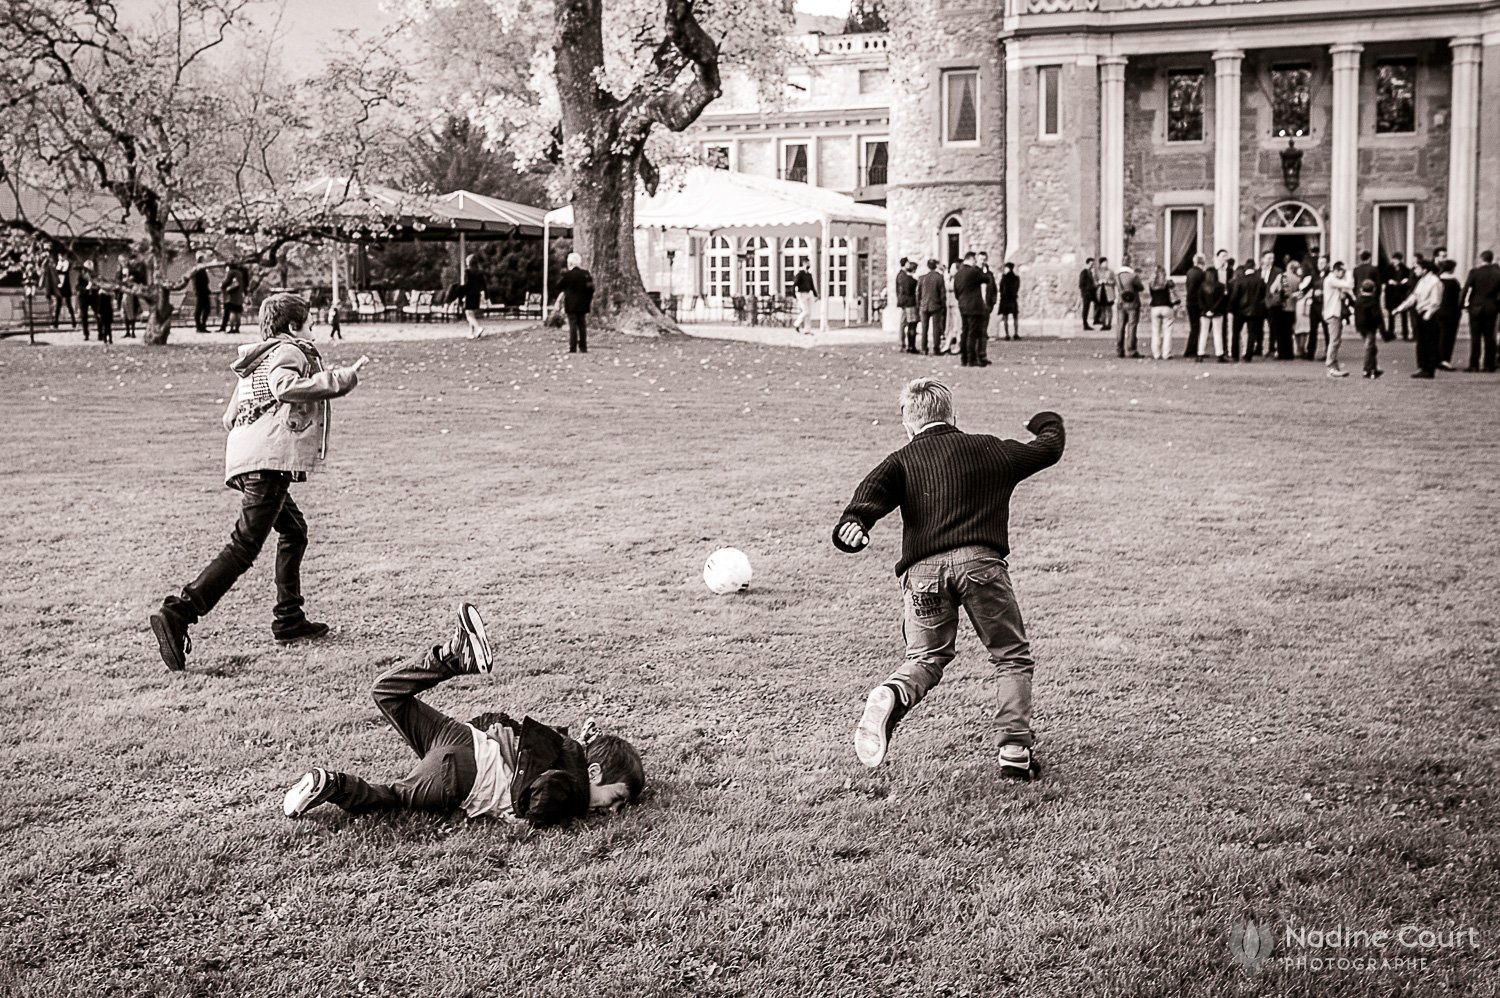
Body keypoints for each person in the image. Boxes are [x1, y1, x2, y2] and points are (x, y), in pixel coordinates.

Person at [831, 378, 1065, 781]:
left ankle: (894, 691)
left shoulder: (902, 459)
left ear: (907, 422)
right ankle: (1013, 750)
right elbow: (1048, 449)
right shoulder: (991, 448)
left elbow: (867, 497)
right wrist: (1046, 421)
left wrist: (853, 525)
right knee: (1010, 656)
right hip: (981, 566)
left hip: (922, 575)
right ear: (953, 414)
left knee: (926, 658)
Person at [149, 294, 363, 672]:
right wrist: (338, 381)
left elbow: (229, 417)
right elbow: (284, 387)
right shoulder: (289, 351)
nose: (312, 330)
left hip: (248, 460)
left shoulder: (257, 359)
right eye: (310, 323)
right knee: (244, 546)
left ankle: (289, 619)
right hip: (267, 464)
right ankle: (179, 611)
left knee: (294, 531)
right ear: (294, 327)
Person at [282, 603, 646, 826]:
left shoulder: (567, 754)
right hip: (462, 777)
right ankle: (332, 784)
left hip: (463, 739)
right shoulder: (573, 790)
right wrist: (532, 821)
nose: (612, 811)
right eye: (616, 799)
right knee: (393, 797)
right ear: (594, 772)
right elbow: (545, 793)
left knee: (387, 694)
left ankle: (451, 658)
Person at [1393, 256, 1443, 379]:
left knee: (1429, 342)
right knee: (1421, 342)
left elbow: (1435, 301)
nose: (1415, 270)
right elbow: (1414, 297)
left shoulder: (1435, 281)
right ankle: (1422, 366)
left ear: (1425, 269)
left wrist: (1428, 315)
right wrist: (1400, 308)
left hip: (1428, 314)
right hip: (1421, 313)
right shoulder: (1422, 281)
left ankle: (1429, 368)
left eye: (1417, 268)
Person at [1462, 249, 1500, 372]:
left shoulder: (1475, 272)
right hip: (1491, 307)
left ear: (1481, 259)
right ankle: (1489, 364)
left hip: (1476, 306)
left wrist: (1462, 304)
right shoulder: (1497, 273)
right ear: (1491, 259)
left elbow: (1466, 289)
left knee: (1475, 337)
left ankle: (1474, 364)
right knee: (1489, 337)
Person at [953, 252, 987, 368]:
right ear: (972, 259)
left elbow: (956, 292)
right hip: (974, 306)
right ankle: (971, 358)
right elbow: (986, 279)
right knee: (973, 333)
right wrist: (982, 268)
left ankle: (964, 358)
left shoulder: (958, 274)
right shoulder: (974, 272)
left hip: (963, 305)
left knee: (965, 331)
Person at [557, 252, 596, 353]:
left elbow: (559, 286)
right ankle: (583, 346)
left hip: (571, 304)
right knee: (582, 325)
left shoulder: (568, 275)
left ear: (570, 263)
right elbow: (591, 288)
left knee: (573, 325)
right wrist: (588, 299)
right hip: (583, 303)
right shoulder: (586, 274)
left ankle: (572, 347)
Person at [1321, 260, 1353, 378]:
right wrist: (1349, 273)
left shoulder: (1332, 280)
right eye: (1342, 272)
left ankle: (1334, 366)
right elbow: (1349, 285)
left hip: (1335, 312)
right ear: (1336, 271)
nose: (1343, 274)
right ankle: (1330, 366)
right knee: (1334, 340)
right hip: (1333, 313)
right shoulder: (1331, 280)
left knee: (1336, 341)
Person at [1352, 279, 1386, 379]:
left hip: (1361, 326)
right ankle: (1367, 369)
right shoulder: (1373, 301)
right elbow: (1377, 316)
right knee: (1369, 347)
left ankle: (1373, 368)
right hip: (1370, 327)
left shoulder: (1359, 300)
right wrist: (1382, 328)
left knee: (1371, 347)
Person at [1145, 265, 1177, 360]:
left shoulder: (1151, 284)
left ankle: (1156, 353)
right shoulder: (1168, 283)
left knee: (1155, 332)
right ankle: (1166, 353)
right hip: (1167, 307)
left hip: (1155, 307)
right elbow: (1174, 292)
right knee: (1167, 332)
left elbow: (1151, 295)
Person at [916, 258, 946, 356]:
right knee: (936, 328)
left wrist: (919, 304)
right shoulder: (939, 277)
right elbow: (942, 293)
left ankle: (924, 348)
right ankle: (936, 348)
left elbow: (918, 293)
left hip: (924, 305)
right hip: (936, 305)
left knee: (924, 329)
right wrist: (942, 304)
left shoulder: (921, 278)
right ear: (935, 266)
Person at [1437, 259, 1463, 371]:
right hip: (1451, 312)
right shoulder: (1454, 282)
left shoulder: (1438, 280)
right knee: (1449, 336)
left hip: (1439, 311)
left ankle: (1437, 358)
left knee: (1438, 335)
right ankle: (1445, 359)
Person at [1199, 261, 1227, 362]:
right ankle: (1220, 354)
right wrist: (1213, 309)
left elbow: (1200, 299)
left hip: (1204, 313)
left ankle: (1200, 353)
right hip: (1217, 312)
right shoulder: (1220, 286)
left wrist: (1206, 310)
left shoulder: (1202, 286)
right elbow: (1220, 300)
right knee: (1218, 333)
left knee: (1203, 333)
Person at [1114, 263, 1144, 358]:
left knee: (1120, 326)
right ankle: (1131, 350)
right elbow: (1141, 287)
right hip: (1132, 303)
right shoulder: (1133, 276)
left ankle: (1119, 349)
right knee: (1132, 326)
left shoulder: (1117, 276)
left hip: (1121, 303)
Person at [1382, 251, 1413, 343]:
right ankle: (1391, 333)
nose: (1394, 261)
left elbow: (1409, 279)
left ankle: (1405, 334)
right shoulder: (1388, 269)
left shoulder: (1405, 269)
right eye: (1394, 259)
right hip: (1391, 294)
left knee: (1404, 315)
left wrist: (1405, 281)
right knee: (1392, 314)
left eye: (1396, 260)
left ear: (1400, 260)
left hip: (1401, 294)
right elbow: (1383, 278)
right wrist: (1389, 281)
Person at [1304, 254, 1330, 360]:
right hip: (1315, 306)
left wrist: (1323, 292)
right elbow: (1307, 288)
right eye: (1319, 263)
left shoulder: (1330, 275)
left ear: (1327, 264)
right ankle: (1310, 352)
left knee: (1327, 331)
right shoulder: (1314, 275)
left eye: (1323, 263)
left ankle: (1328, 352)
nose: (1320, 265)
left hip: (1325, 306)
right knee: (1312, 330)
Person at [1183, 254, 1206, 359]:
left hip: (1190, 302)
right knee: (1197, 327)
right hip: (1197, 303)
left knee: (1194, 326)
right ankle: (1192, 349)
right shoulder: (1201, 274)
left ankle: (1192, 349)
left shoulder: (1190, 272)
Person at [977, 252, 999, 363]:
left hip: (986, 306)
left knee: (983, 331)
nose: (982, 261)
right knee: (975, 331)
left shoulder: (989, 275)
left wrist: (992, 303)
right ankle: (976, 354)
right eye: (980, 259)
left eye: (984, 259)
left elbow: (994, 289)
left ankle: (982, 354)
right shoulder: (974, 273)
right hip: (976, 306)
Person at [459, 253, 486, 339]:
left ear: (469, 262)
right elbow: (483, 285)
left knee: (468, 314)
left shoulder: (467, 272)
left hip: (469, 295)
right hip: (476, 295)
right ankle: (471, 333)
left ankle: (478, 328)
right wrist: (486, 296)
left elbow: (466, 284)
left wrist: (462, 295)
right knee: (472, 313)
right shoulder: (480, 272)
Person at [895, 257, 919, 353]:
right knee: (905, 323)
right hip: (907, 302)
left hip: (904, 301)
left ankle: (902, 343)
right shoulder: (903, 276)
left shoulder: (901, 275)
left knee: (904, 323)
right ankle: (901, 343)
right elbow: (906, 289)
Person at [791, 259, 818, 335]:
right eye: (807, 263)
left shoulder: (809, 275)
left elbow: (812, 285)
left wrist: (815, 295)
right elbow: (794, 284)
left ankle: (807, 330)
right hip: (801, 294)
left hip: (808, 293)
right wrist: (794, 295)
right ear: (804, 264)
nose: (809, 265)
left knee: (809, 313)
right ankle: (796, 323)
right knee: (805, 310)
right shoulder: (800, 274)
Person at [996, 261, 1020, 341]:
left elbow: (1000, 288)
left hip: (1005, 299)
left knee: (1005, 317)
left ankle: (1007, 334)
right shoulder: (1016, 278)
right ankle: (1016, 333)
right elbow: (1017, 288)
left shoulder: (1004, 278)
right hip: (1012, 299)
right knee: (1015, 317)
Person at [191, 251, 214, 333]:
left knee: (206, 309)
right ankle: (199, 326)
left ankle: (202, 325)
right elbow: (198, 282)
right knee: (200, 309)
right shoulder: (197, 269)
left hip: (204, 291)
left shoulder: (202, 269)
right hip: (200, 292)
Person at [219, 266, 246, 334]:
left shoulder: (231, 273)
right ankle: (237, 328)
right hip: (239, 295)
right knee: (238, 312)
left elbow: (226, 282)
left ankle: (231, 328)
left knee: (233, 312)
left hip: (233, 295)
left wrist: (222, 285)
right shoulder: (240, 273)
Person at [1095, 257, 1115, 331]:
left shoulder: (1111, 271)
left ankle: (1109, 324)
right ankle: (1103, 324)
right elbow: (1095, 281)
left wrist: (1108, 281)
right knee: (1102, 309)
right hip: (1101, 291)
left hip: (1108, 291)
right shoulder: (1098, 272)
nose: (1106, 264)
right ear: (1101, 264)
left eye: (1106, 262)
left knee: (1109, 309)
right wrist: (1099, 282)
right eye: (1104, 263)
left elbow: (1114, 281)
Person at [1078, 258, 1097, 330]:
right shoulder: (1084, 272)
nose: (1092, 265)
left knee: (1098, 304)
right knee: (1085, 309)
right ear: (1088, 264)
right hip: (1086, 293)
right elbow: (1081, 284)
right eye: (1091, 264)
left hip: (1091, 293)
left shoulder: (1091, 272)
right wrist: (1085, 291)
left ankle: (1096, 319)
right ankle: (1085, 324)